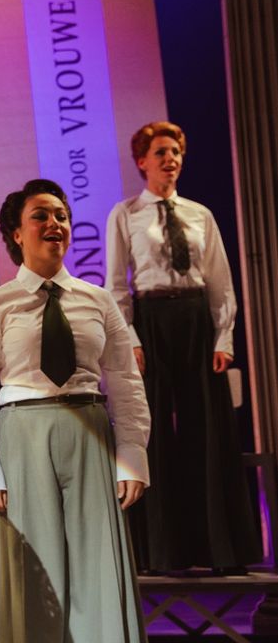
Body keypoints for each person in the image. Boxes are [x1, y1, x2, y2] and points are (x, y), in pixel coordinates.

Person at [0, 178, 149, 642]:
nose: (54, 224)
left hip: (90, 431)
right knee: (33, 565)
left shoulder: (98, 300)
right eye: (40, 216)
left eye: (61, 216)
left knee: (98, 560)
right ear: (17, 233)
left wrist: (133, 455)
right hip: (23, 433)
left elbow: (125, 382)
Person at [107, 121, 259, 573]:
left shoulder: (199, 214)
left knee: (207, 431)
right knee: (152, 432)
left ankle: (217, 549)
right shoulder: (126, 213)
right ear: (142, 161)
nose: (170, 159)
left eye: (175, 152)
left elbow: (220, 282)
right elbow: (116, 285)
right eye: (161, 152)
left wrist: (223, 337)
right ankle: (161, 551)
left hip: (195, 319)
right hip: (151, 321)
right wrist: (131, 340)